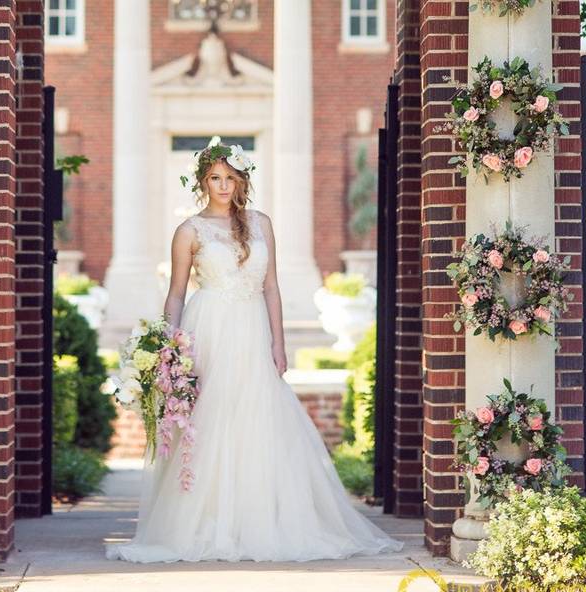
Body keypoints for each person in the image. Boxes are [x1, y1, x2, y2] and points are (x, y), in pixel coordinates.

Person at [104, 138, 404, 562]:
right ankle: (206, 522)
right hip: (206, 329)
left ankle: (258, 520)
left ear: (242, 178)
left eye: (229, 177)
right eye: (214, 178)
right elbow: (175, 294)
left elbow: (272, 286)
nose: (222, 186)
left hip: (252, 328)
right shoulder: (188, 230)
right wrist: (169, 347)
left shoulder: (261, 224)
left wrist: (278, 342)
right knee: (211, 419)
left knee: (258, 416)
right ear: (203, 182)